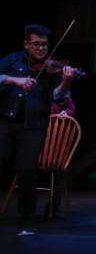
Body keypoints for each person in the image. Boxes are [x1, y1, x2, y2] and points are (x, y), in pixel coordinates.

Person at [0, 24, 75, 224]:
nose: (41, 48)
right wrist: (13, 80)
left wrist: (66, 81)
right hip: (6, 121)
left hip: (34, 125)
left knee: (26, 169)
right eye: (36, 44)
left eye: (44, 44)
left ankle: (26, 215)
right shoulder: (12, 60)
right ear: (26, 44)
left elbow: (58, 97)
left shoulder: (52, 68)